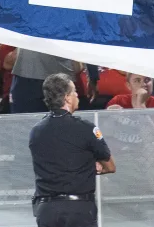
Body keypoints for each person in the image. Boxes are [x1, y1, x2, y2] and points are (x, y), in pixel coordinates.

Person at [28, 73, 115, 227]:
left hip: (46, 211)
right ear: (67, 98)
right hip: (79, 211)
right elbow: (110, 166)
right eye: (74, 91)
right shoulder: (86, 128)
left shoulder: (36, 131)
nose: (77, 95)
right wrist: (87, 167)